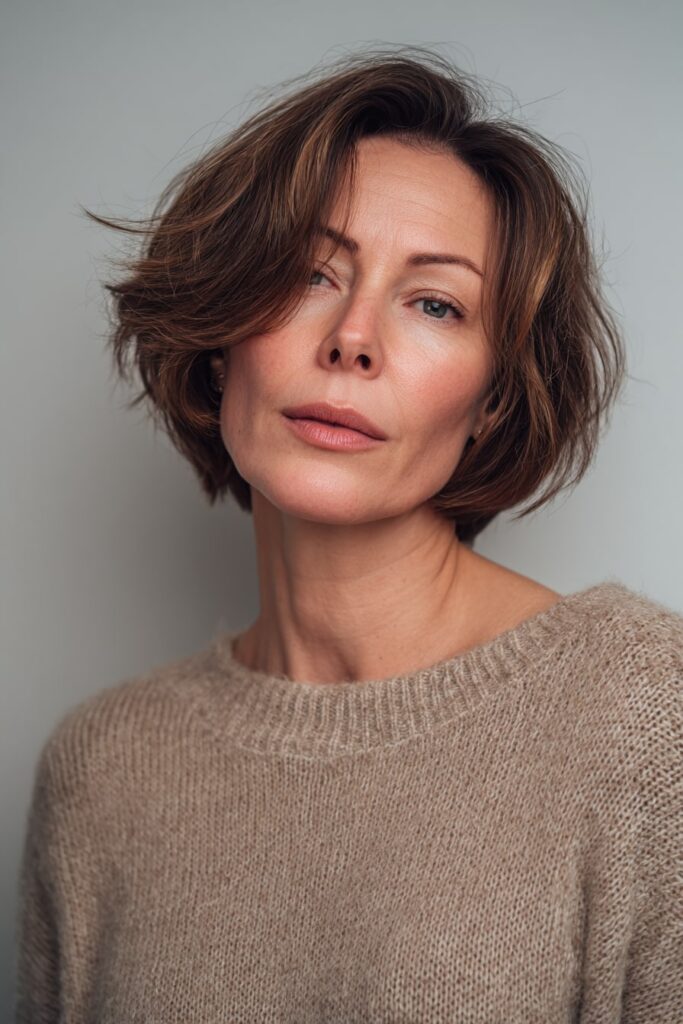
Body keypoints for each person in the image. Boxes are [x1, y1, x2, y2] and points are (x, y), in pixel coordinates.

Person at [15, 45, 682, 1023]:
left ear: (493, 399)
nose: (352, 338)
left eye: (434, 303)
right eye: (308, 274)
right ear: (220, 333)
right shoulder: (101, 770)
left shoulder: (642, 714)